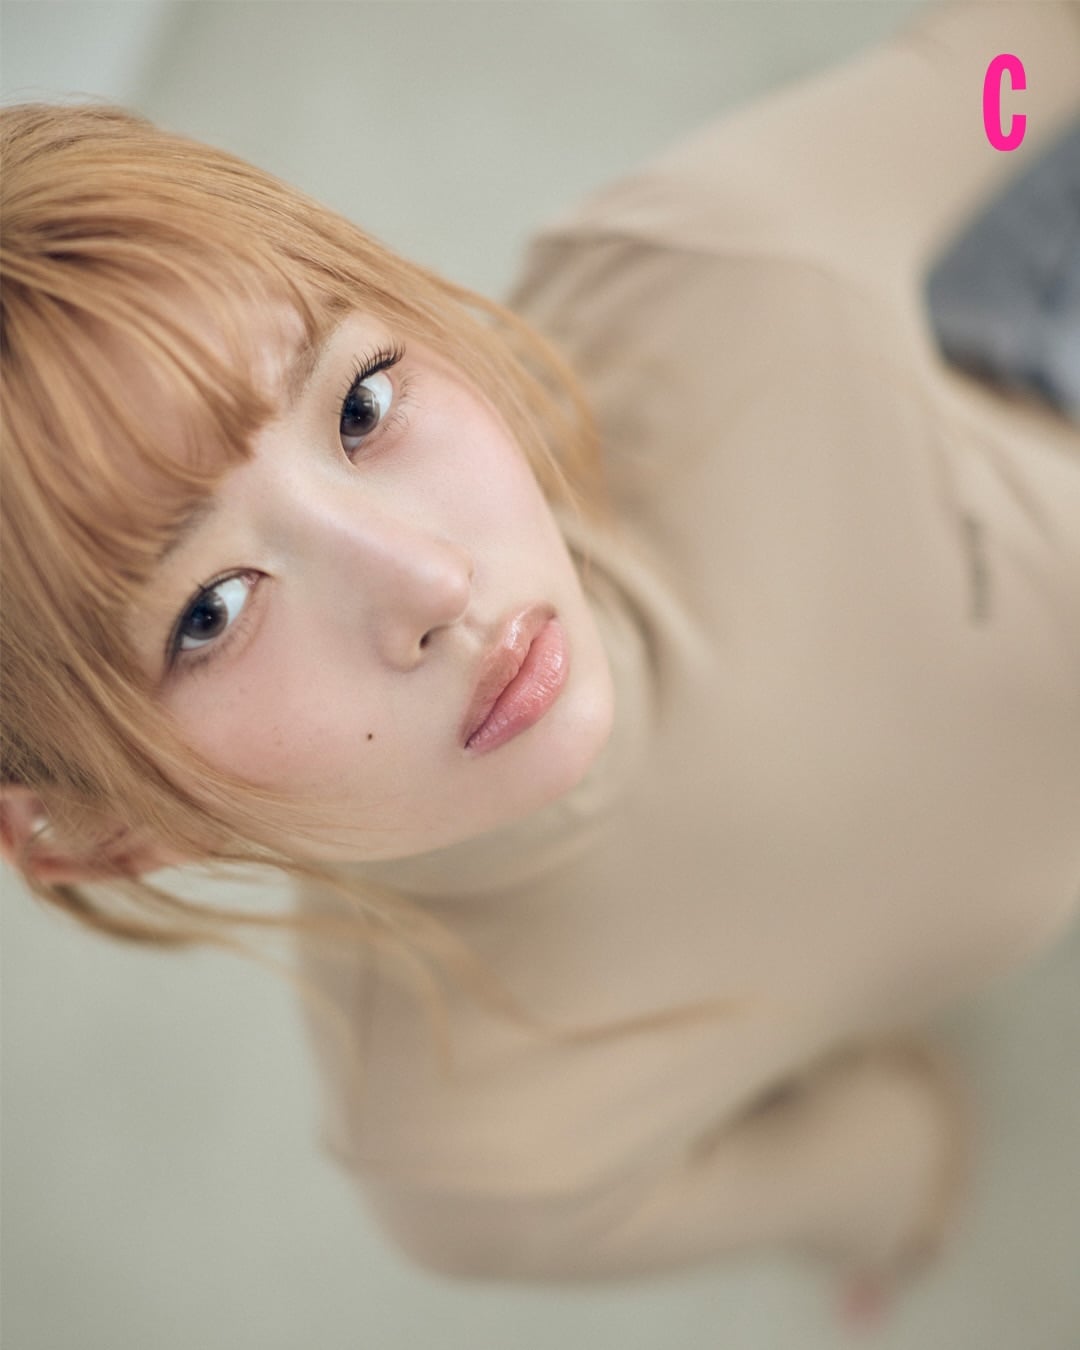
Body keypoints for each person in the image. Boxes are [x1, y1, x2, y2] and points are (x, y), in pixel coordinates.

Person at [2, 0, 1078, 1324]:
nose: (432, 581)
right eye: (211, 612)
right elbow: (901, 1159)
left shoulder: (724, 267)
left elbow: (1018, 65)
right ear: (106, 831)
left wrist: (999, 125)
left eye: (361, 403)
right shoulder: (480, 1163)